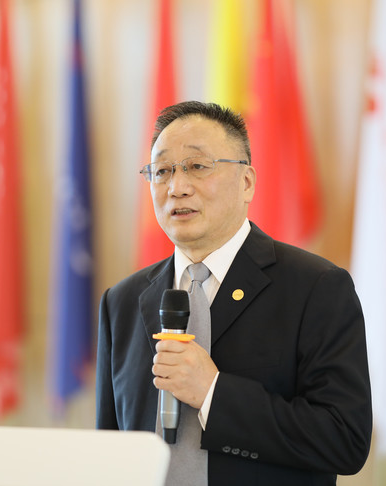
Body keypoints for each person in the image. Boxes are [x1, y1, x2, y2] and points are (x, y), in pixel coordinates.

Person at [96, 101, 371, 486]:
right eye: (162, 171)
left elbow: (345, 440)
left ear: (247, 183)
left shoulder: (316, 288)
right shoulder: (122, 302)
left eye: (197, 166)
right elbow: (110, 451)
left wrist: (213, 393)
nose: (177, 187)